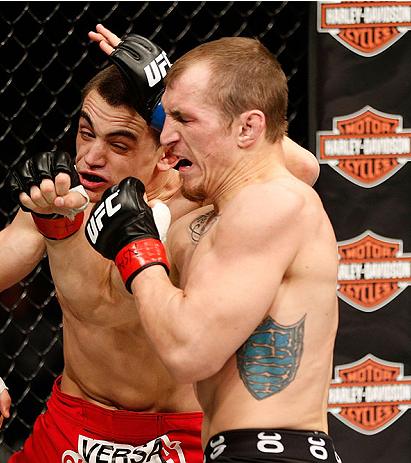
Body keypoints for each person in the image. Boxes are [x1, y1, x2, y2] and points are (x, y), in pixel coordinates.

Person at [0, 26, 321, 463]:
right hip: (73, 424)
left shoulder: (197, 200)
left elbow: (301, 169)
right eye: (85, 132)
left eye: (119, 143)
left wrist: (163, 97)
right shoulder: (59, 200)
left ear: (166, 150)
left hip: (179, 434)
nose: (91, 157)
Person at [86, 36, 342, 463]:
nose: (165, 136)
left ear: (248, 128)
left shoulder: (271, 202)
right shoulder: (206, 221)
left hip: (276, 452)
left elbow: (189, 352)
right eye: (164, 117)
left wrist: (136, 247)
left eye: (183, 119)